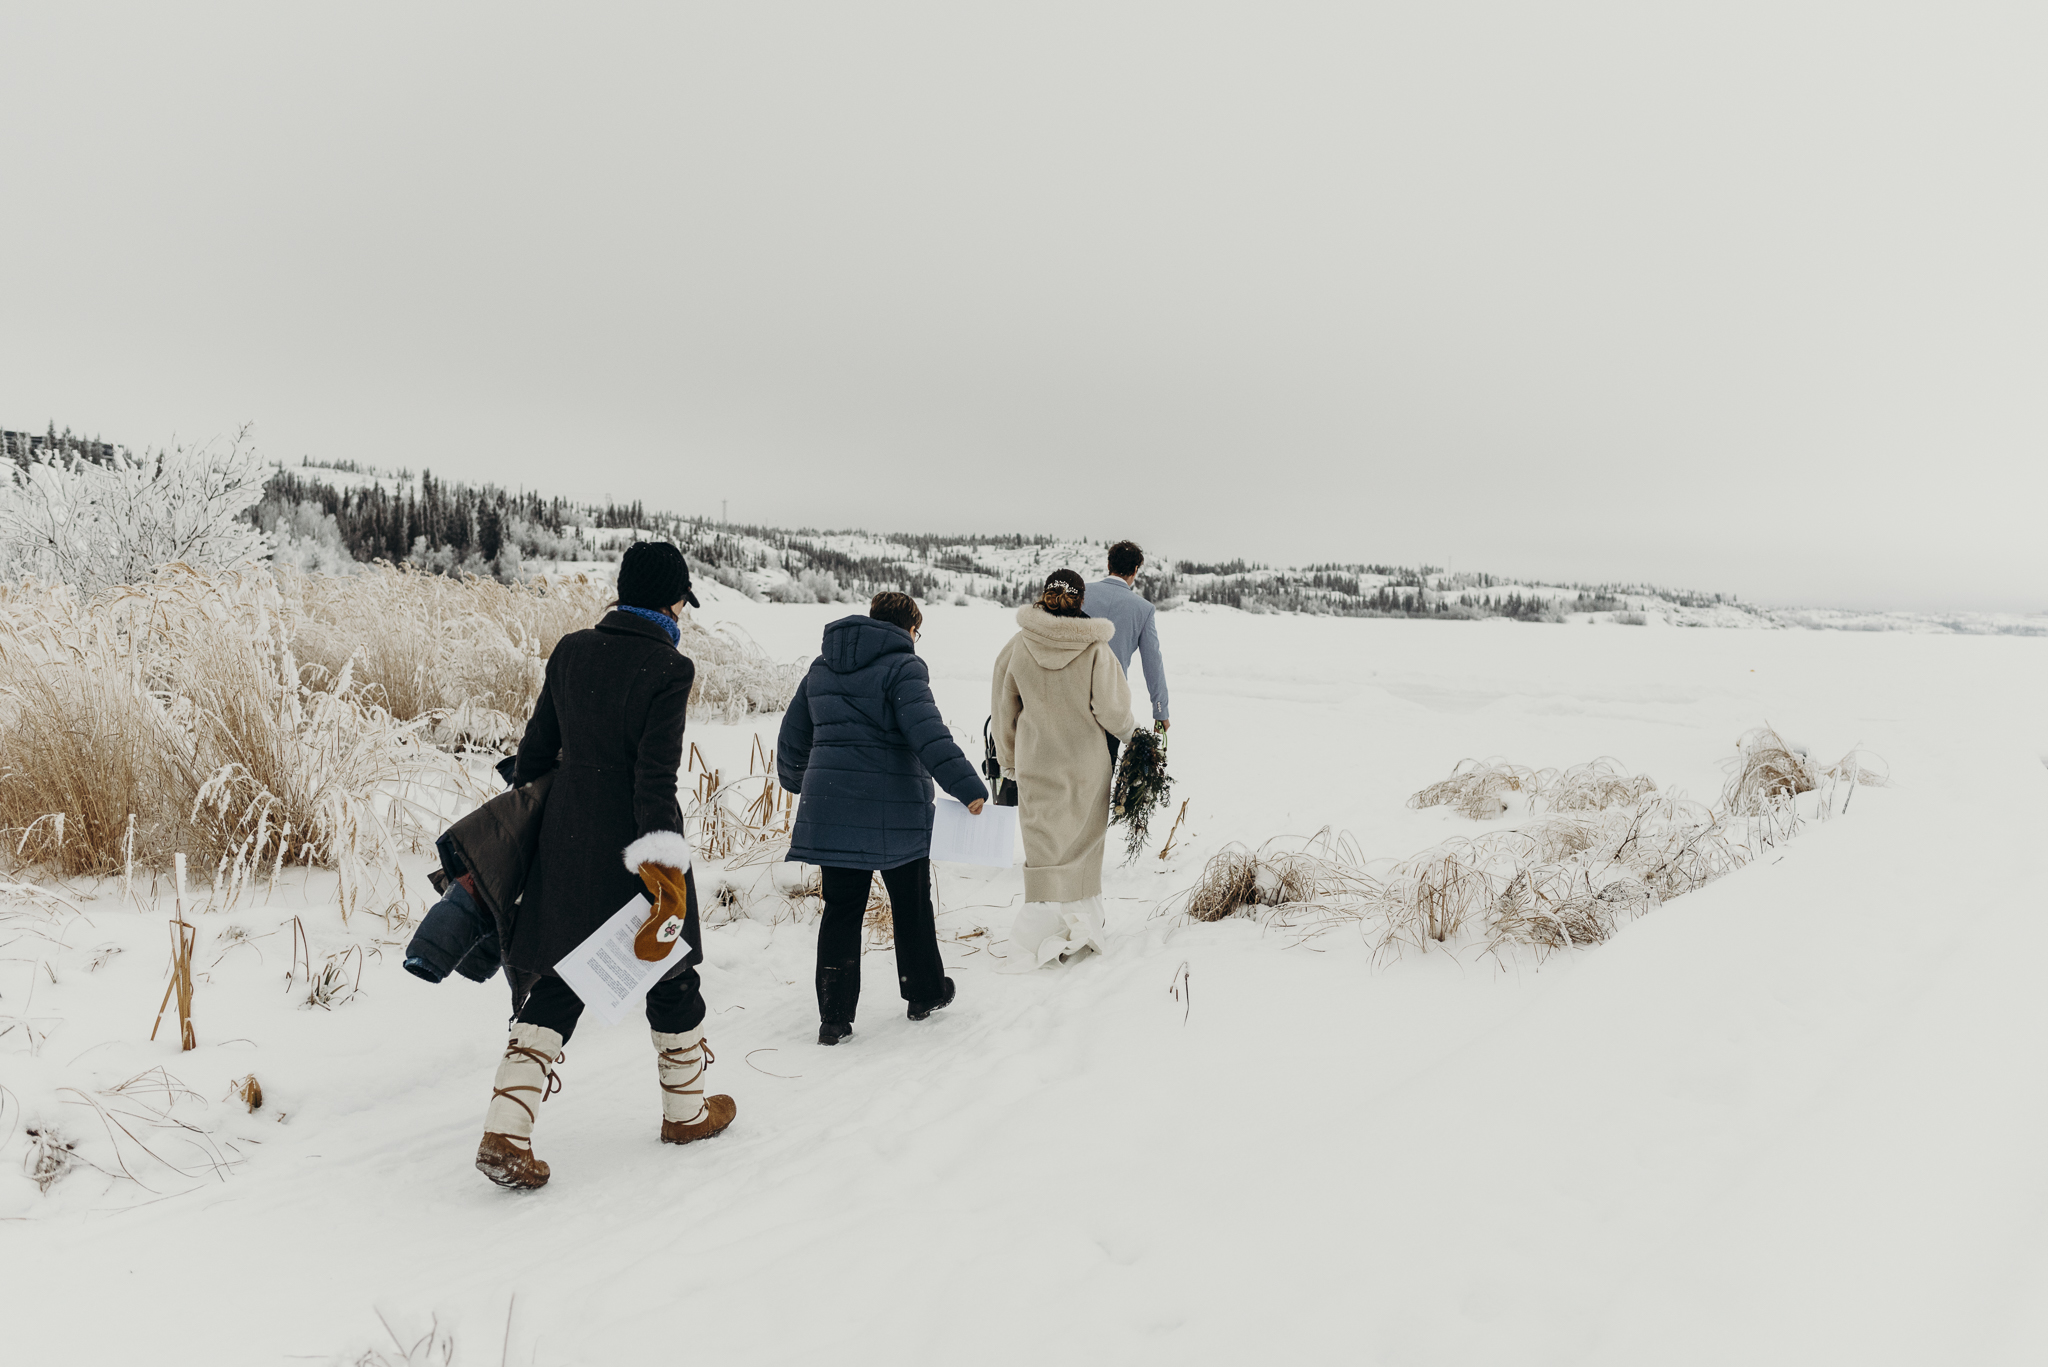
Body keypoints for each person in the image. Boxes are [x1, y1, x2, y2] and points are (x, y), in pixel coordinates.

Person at [476, 540, 736, 1191]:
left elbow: (535, 754)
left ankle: (505, 1128)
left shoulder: (570, 650)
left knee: (566, 975)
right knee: (670, 963)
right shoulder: (668, 667)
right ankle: (686, 1110)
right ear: (673, 599)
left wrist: (539, 824)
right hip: (634, 844)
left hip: (567, 839)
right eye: (683, 599)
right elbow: (655, 779)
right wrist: (665, 870)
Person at [777, 592, 989, 1046]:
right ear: (909, 628)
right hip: (896, 811)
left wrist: (796, 781)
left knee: (841, 909)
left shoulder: (821, 667)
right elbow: (930, 734)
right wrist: (968, 788)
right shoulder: (903, 667)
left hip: (832, 808)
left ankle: (834, 1018)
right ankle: (924, 993)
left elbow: (794, 736)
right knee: (911, 904)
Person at [991, 570, 1137, 967]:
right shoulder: (1095, 649)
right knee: (1083, 846)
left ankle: (1038, 931)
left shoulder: (1017, 646)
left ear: (1045, 595)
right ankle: (1085, 926)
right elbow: (1111, 710)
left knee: (1043, 850)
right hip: (1087, 765)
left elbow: (1004, 709)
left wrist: (1008, 761)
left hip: (1037, 762)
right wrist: (1136, 740)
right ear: (1081, 600)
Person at [1083, 540, 1170, 770]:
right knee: (1101, 777)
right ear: (1135, 571)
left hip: (1070, 694)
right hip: (1111, 702)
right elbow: (1153, 663)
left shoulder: (1082, 593)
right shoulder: (1142, 609)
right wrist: (1160, 711)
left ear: (1109, 564)